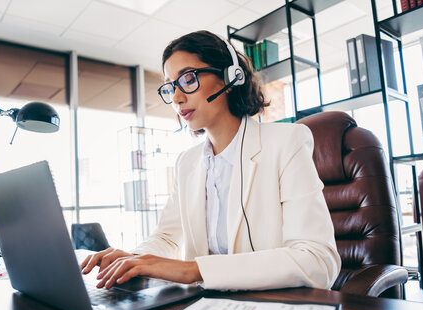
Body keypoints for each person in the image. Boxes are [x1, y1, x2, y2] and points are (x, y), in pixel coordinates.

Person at [81, 30, 341, 291]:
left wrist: (193, 270)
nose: (177, 97)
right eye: (171, 86)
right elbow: (167, 237)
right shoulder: (187, 163)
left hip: (273, 307)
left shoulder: (286, 142)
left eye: (188, 78)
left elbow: (318, 261)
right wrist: (133, 260)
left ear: (230, 76)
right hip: (207, 307)